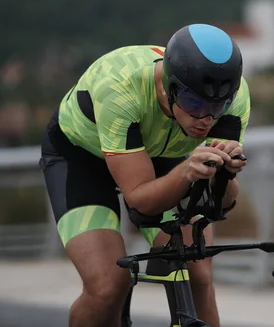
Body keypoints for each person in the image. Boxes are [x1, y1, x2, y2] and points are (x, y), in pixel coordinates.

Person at [38, 23, 251, 327]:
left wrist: (225, 174)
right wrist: (188, 171)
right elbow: (140, 201)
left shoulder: (236, 97)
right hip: (81, 156)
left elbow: (222, 205)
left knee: (198, 273)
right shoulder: (120, 88)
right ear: (168, 86)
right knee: (109, 284)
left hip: (158, 153)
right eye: (194, 103)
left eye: (218, 106)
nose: (205, 118)